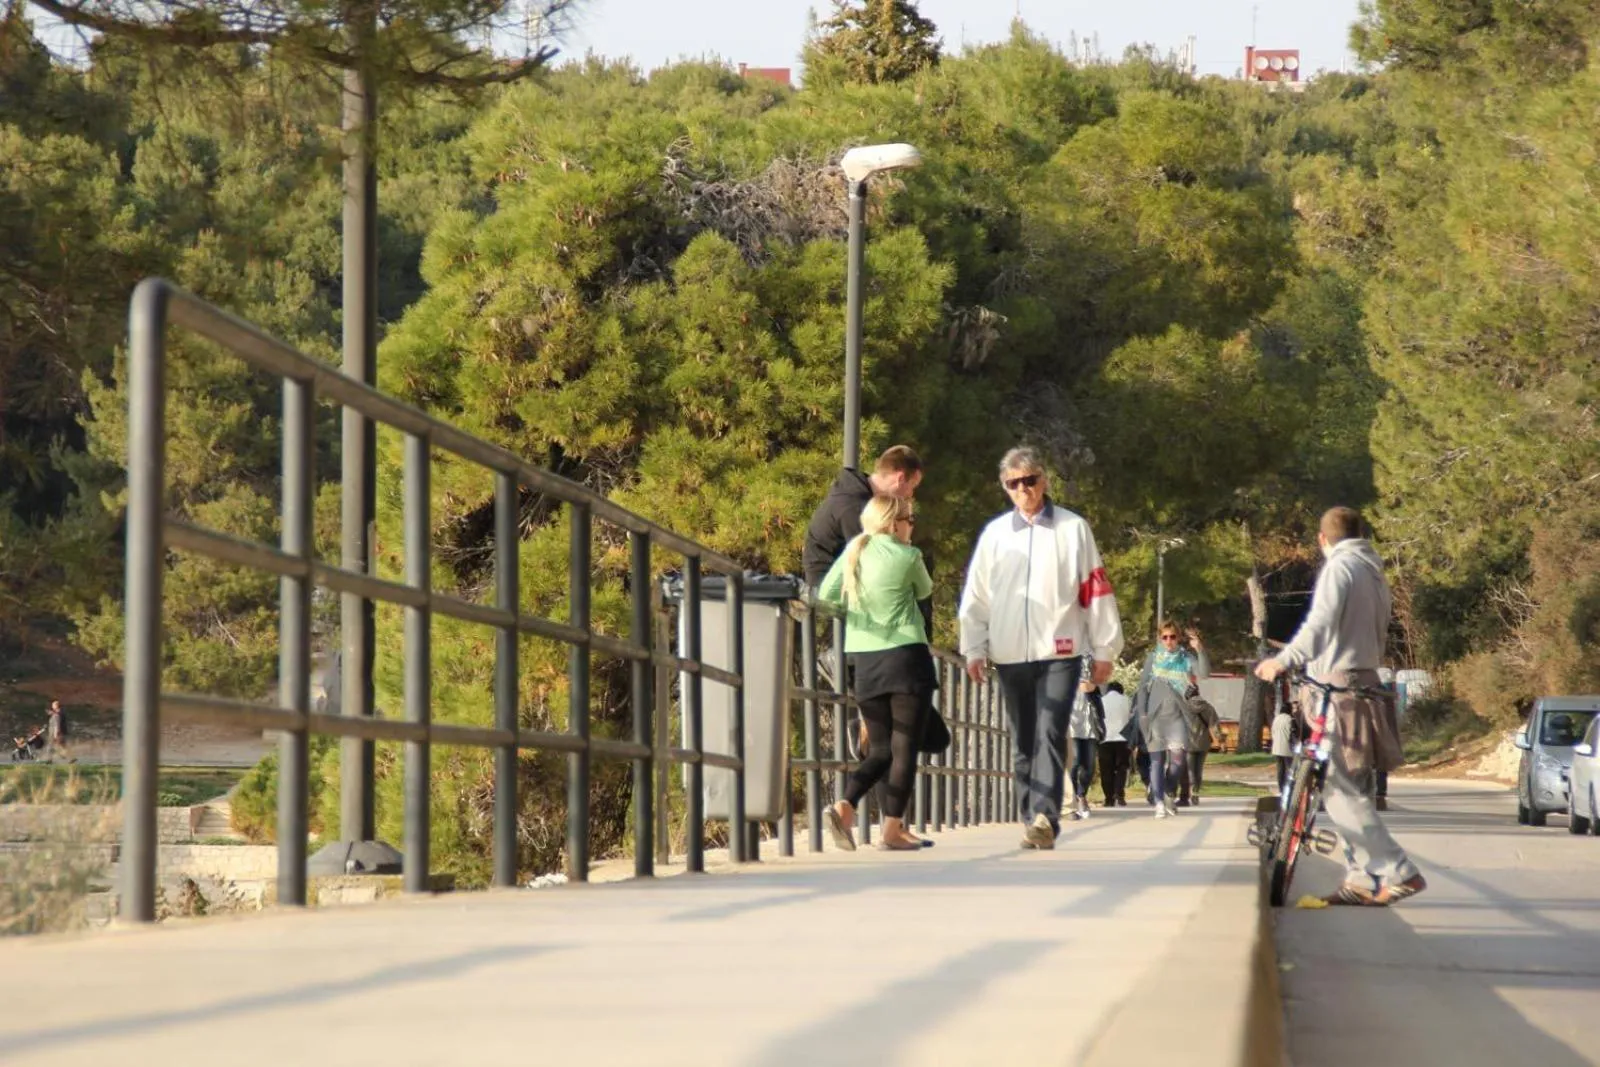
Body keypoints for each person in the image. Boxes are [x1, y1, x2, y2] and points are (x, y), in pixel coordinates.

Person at [1254, 506, 1425, 907]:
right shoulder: (1374, 571)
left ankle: (1398, 869)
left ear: (1322, 539)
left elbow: (1320, 624)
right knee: (1358, 787)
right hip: (1366, 682)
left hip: (1338, 688)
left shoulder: (1339, 569)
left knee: (1339, 789)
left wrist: (1284, 659)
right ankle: (1361, 878)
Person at [958, 446, 1125, 850]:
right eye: (1013, 484)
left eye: (1029, 481)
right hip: (1010, 652)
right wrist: (974, 647)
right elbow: (976, 596)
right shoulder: (995, 535)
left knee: (1050, 731)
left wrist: (1104, 649)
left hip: (1060, 651)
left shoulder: (1073, 529)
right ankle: (1029, 811)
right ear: (1005, 488)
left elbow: (1095, 590)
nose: (1023, 490)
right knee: (1023, 737)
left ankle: (1045, 816)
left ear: (1044, 480)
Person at [818, 495, 935, 852]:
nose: (911, 525)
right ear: (894, 521)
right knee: (904, 749)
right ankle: (892, 830)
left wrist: (853, 608)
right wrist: (907, 546)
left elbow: (826, 594)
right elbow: (925, 589)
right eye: (909, 519)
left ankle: (846, 804)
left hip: (865, 662)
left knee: (880, 749)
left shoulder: (855, 549)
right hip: (906, 658)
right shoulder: (908, 555)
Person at [1134, 621, 1211, 817]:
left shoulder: (1186, 658)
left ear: (1178, 638)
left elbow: (1204, 673)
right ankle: (1159, 802)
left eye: (1172, 637)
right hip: (1155, 715)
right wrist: (1142, 713)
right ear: (1160, 638)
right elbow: (1143, 687)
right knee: (1157, 761)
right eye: (1165, 637)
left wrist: (1200, 650)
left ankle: (1168, 791)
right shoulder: (1153, 658)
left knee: (1178, 761)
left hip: (1178, 716)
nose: (1169, 641)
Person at [1067, 670, 1105, 820]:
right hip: (1071, 725)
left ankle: (1081, 793)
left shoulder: (1090, 669)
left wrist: (1091, 683)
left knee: (1089, 766)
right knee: (1075, 762)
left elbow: (1095, 690)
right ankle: (1075, 800)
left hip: (1089, 725)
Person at [1178, 684, 1220, 806]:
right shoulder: (1208, 707)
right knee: (1199, 770)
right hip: (1204, 743)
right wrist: (1220, 739)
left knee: (1190, 769)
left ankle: (1191, 791)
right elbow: (1214, 725)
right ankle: (1196, 792)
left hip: (1189, 742)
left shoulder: (1184, 707)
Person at [1098, 681, 1134, 806]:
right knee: (1121, 768)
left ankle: (1109, 799)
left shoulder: (1101, 700)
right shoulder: (1127, 700)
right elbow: (1131, 718)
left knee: (1106, 770)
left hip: (1105, 739)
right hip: (1123, 739)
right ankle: (1119, 794)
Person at [1271, 703, 1295, 796]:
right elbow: (1292, 734)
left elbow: (1273, 732)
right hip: (1287, 748)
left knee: (1280, 769)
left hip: (1276, 748)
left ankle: (1281, 789)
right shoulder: (1290, 719)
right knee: (1289, 769)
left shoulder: (1276, 719)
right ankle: (1289, 788)